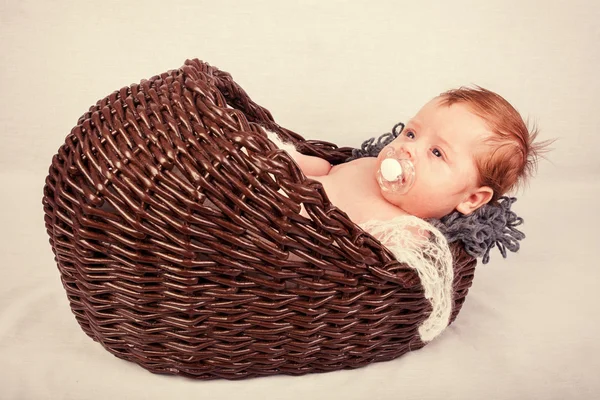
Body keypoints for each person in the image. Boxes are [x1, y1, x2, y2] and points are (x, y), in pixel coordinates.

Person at [271, 86, 548, 226]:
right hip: (263, 195)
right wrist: (282, 156)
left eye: (437, 152)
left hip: (279, 235)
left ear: (471, 199)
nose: (408, 148)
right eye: (412, 133)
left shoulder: (406, 230)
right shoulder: (367, 165)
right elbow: (326, 170)